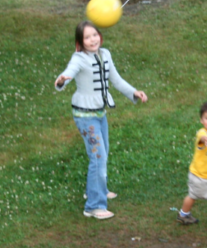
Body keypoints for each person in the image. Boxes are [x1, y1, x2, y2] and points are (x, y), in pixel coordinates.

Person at [55, 21, 147, 220]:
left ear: (100, 36)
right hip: (84, 116)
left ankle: (97, 189)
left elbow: (116, 80)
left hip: (99, 113)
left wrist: (134, 92)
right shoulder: (78, 58)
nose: (92, 40)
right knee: (98, 157)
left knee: (102, 152)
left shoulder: (105, 54)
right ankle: (94, 206)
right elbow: (69, 71)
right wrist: (63, 79)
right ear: (80, 42)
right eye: (87, 37)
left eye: (94, 35)